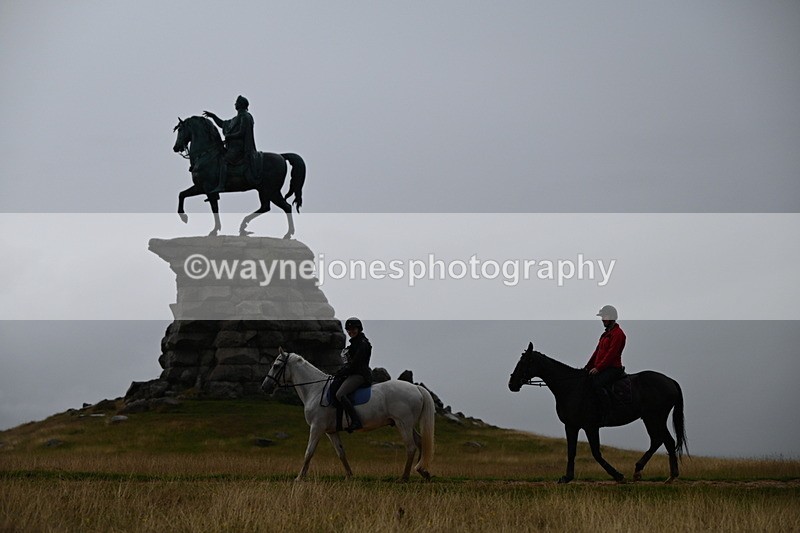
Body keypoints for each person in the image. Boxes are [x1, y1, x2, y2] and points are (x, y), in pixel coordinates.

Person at [203, 95, 257, 193]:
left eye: (237, 102)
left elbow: (242, 132)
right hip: (232, 148)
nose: (235, 104)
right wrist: (213, 116)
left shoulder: (245, 116)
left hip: (240, 148)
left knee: (223, 160)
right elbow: (223, 124)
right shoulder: (236, 118)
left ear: (241, 105)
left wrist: (229, 136)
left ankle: (221, 185)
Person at [585, 305, 626, 419]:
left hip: (613, 368)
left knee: (597, 384)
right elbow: (596, 353)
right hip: (603, 368)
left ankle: (607, 411)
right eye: (602, 317)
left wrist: (598, 368)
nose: (603, 319)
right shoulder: (605, 335)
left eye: (605, 316)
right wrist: (587, 367)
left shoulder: (618, 334)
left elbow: (611, 355)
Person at [334, 317, 373, 432]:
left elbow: (355, 364)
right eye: (349, 330)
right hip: (353, 373)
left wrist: (343, 372)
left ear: (359, 329)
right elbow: (349, 363)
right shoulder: (353, 344)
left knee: (340, 394)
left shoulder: (362, 344)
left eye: (353, 329)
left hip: (360, 375)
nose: (351, 332)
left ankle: (356, 421)